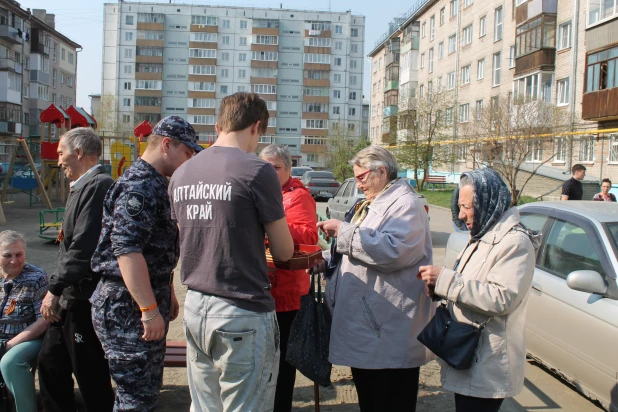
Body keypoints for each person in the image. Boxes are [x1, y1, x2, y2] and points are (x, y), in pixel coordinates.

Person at [169, 92, 294, 412]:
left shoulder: (182, 172)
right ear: (256, 127)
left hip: (196, 306)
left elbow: (188, 239)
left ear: (218, 125)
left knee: (205, 406)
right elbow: (283, 251)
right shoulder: (257, 170)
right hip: (242, 309)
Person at [90, 116, 201, 411]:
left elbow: (153, 247)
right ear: (167, 145)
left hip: (141, 298)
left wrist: (164, 291)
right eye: (188, 153)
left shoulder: (154, 182)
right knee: (135, 399)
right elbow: (127, 251)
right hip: (126, 305)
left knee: (147, 392)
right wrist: (149, 309)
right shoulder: (139, 187)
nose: (190, 161)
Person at [316, 146, 434, 412]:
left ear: (381, 171)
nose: (358, 185)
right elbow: (363, 245)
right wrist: (325, 258)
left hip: (387, 327)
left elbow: (395, 251)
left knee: (389, 401)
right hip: (370, 326)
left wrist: (343, 232)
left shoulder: (407, 204)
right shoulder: (375, 202)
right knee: (371, 400)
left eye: (361, 177)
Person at [418, 168, 540, 412]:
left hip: (488, 359)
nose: (461, 214)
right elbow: (473, 282)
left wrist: (446, 280)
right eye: (460, 206)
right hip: (472, 353)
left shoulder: (514, 242)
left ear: (488, 200)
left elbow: (502, 298)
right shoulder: (484, 234)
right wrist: (439, 288)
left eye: (466, 206)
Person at [38, 127, 115, 412]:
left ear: (79, 152)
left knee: (89, 371)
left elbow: (83, 248)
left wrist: (54, 289)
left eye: (61, 153)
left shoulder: (98, 185)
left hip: (83, 297)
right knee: (50, 362)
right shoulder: (82, 186)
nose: (58, 161)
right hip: (71, 294)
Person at [259, 144, 318, 412]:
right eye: (265, 168)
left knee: (282, 362)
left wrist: (271, 224)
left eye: (276, 168)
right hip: (263, 288)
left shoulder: (297, 196)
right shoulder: (261, 191)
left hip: (288, 292)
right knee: (262, 360)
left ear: (288, 169)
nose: (270, 173)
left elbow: (308, 235)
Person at [0, 231, 48, 412]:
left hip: (28, 338)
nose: (14, 260)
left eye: (19, 254)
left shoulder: (36, 277)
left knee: (10, 361)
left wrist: (8, 345)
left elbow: (43, 321)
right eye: (7, 255)